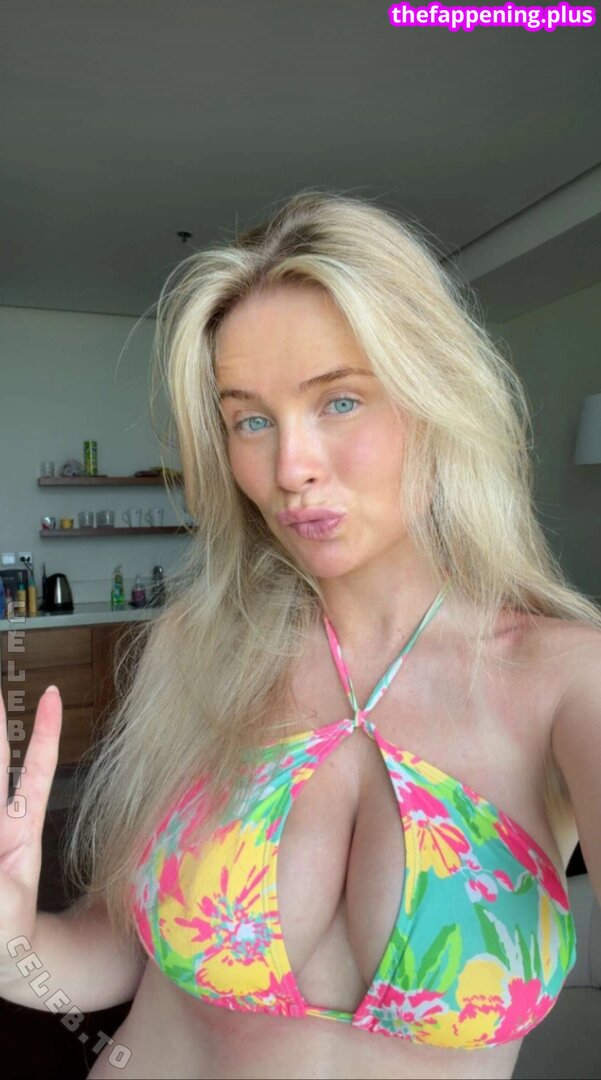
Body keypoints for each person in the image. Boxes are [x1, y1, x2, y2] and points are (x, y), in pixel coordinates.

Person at [1, 190, 600, 1080]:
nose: (290, 468)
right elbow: (118, 953)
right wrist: (11, 946)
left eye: (340, 401)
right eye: (250, 420)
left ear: (435, 396)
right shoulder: (193, 650)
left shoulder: (567, 682)